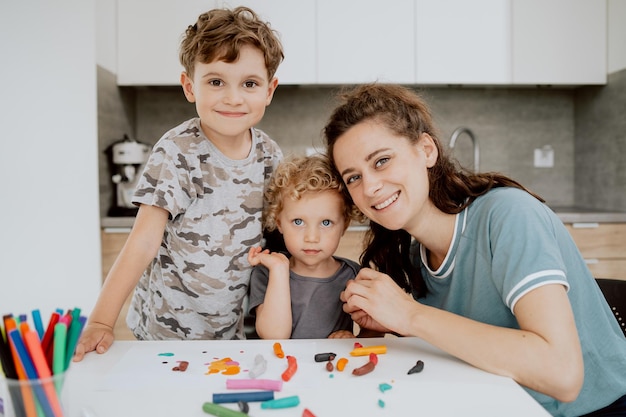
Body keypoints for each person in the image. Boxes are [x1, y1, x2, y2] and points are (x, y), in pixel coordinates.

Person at [323, 83, 626, 417]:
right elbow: (469, 345)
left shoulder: (508, 216)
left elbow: (562, 374)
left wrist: (411, 315)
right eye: (353, 177)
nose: (370, 187)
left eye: (381, 161)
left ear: (426, 150)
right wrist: (383, 327)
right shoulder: (414, 257)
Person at [73, 6, 284, 360]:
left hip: (228, 332)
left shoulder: (269, 156)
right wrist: (101, 322)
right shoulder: (176, 151)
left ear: (269, 90)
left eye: (249, 83)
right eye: (216, 81)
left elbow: (278, 235)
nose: (233, 97)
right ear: (189, 86)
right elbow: (142, 242)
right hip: (163, 331)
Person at [247, 155, 365, 339]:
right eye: (298, 221)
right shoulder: (266, 274)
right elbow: (274, 337)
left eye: (326, 222)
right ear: (279, 223)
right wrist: (279, 270)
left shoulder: (354, 275)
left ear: (345, 225)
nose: (312, 237)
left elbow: (374, 330)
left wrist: (352, 339)